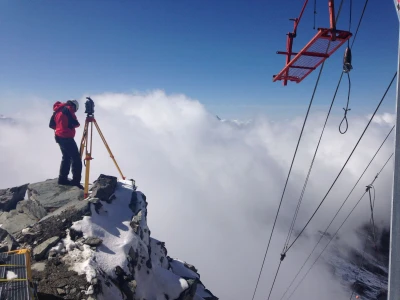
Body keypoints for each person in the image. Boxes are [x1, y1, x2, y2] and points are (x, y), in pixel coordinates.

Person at [49, 100, 83, 189]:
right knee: (76, 159)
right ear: (74, 106)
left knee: (66, 157)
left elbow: (51, 125)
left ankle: (62, 179)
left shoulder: (58, 110)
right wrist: (68, 127)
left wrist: (61, 126)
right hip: (66, 137)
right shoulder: (68, 109)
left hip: (58, 136)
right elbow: (76, 123)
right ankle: (76, 182)